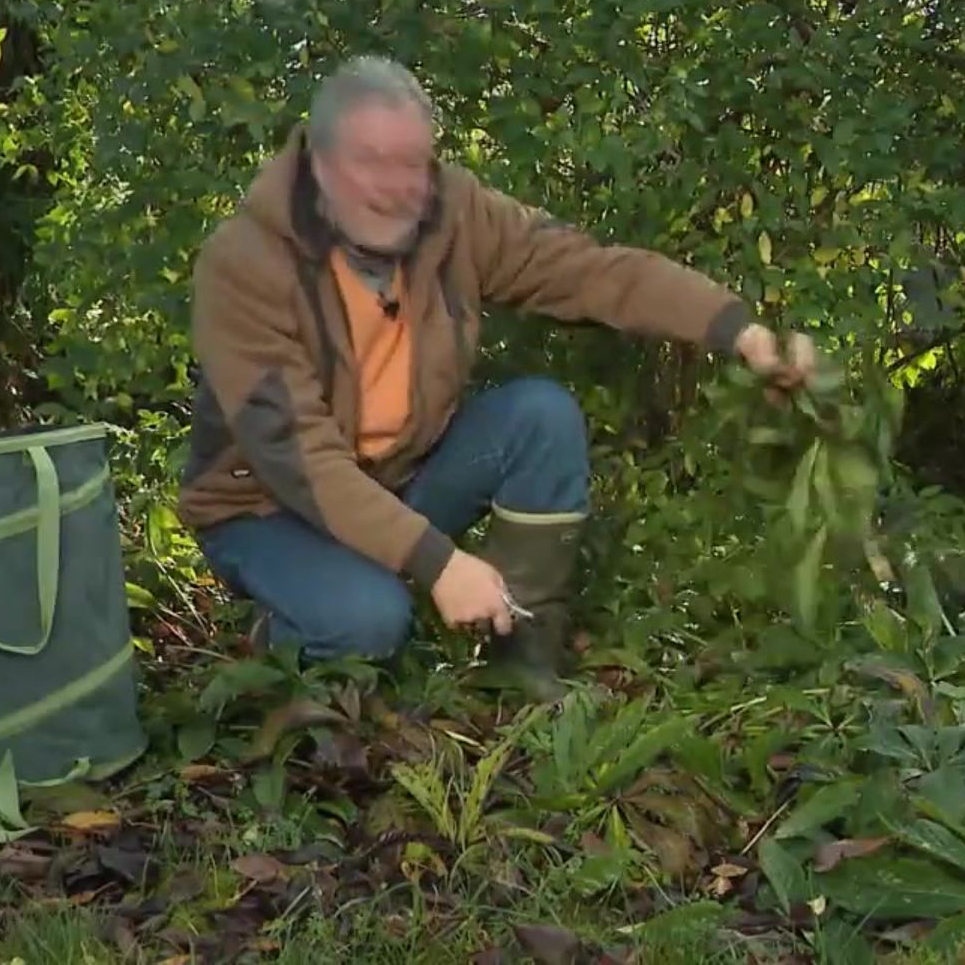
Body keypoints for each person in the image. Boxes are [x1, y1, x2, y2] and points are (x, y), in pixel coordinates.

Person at [176, 55, 815, 697]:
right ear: (317, 162)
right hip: (269, 506)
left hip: (393, 477)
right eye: (370, 162)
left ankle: (521, 665)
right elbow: (299, 459)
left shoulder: (452, 214)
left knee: (539, 415)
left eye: (413, 163)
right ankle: (284, 632)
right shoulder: (245, 264)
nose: (397, 187)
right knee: (370, 624)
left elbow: (591, 271)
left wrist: (741, 331)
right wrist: (438, 563)